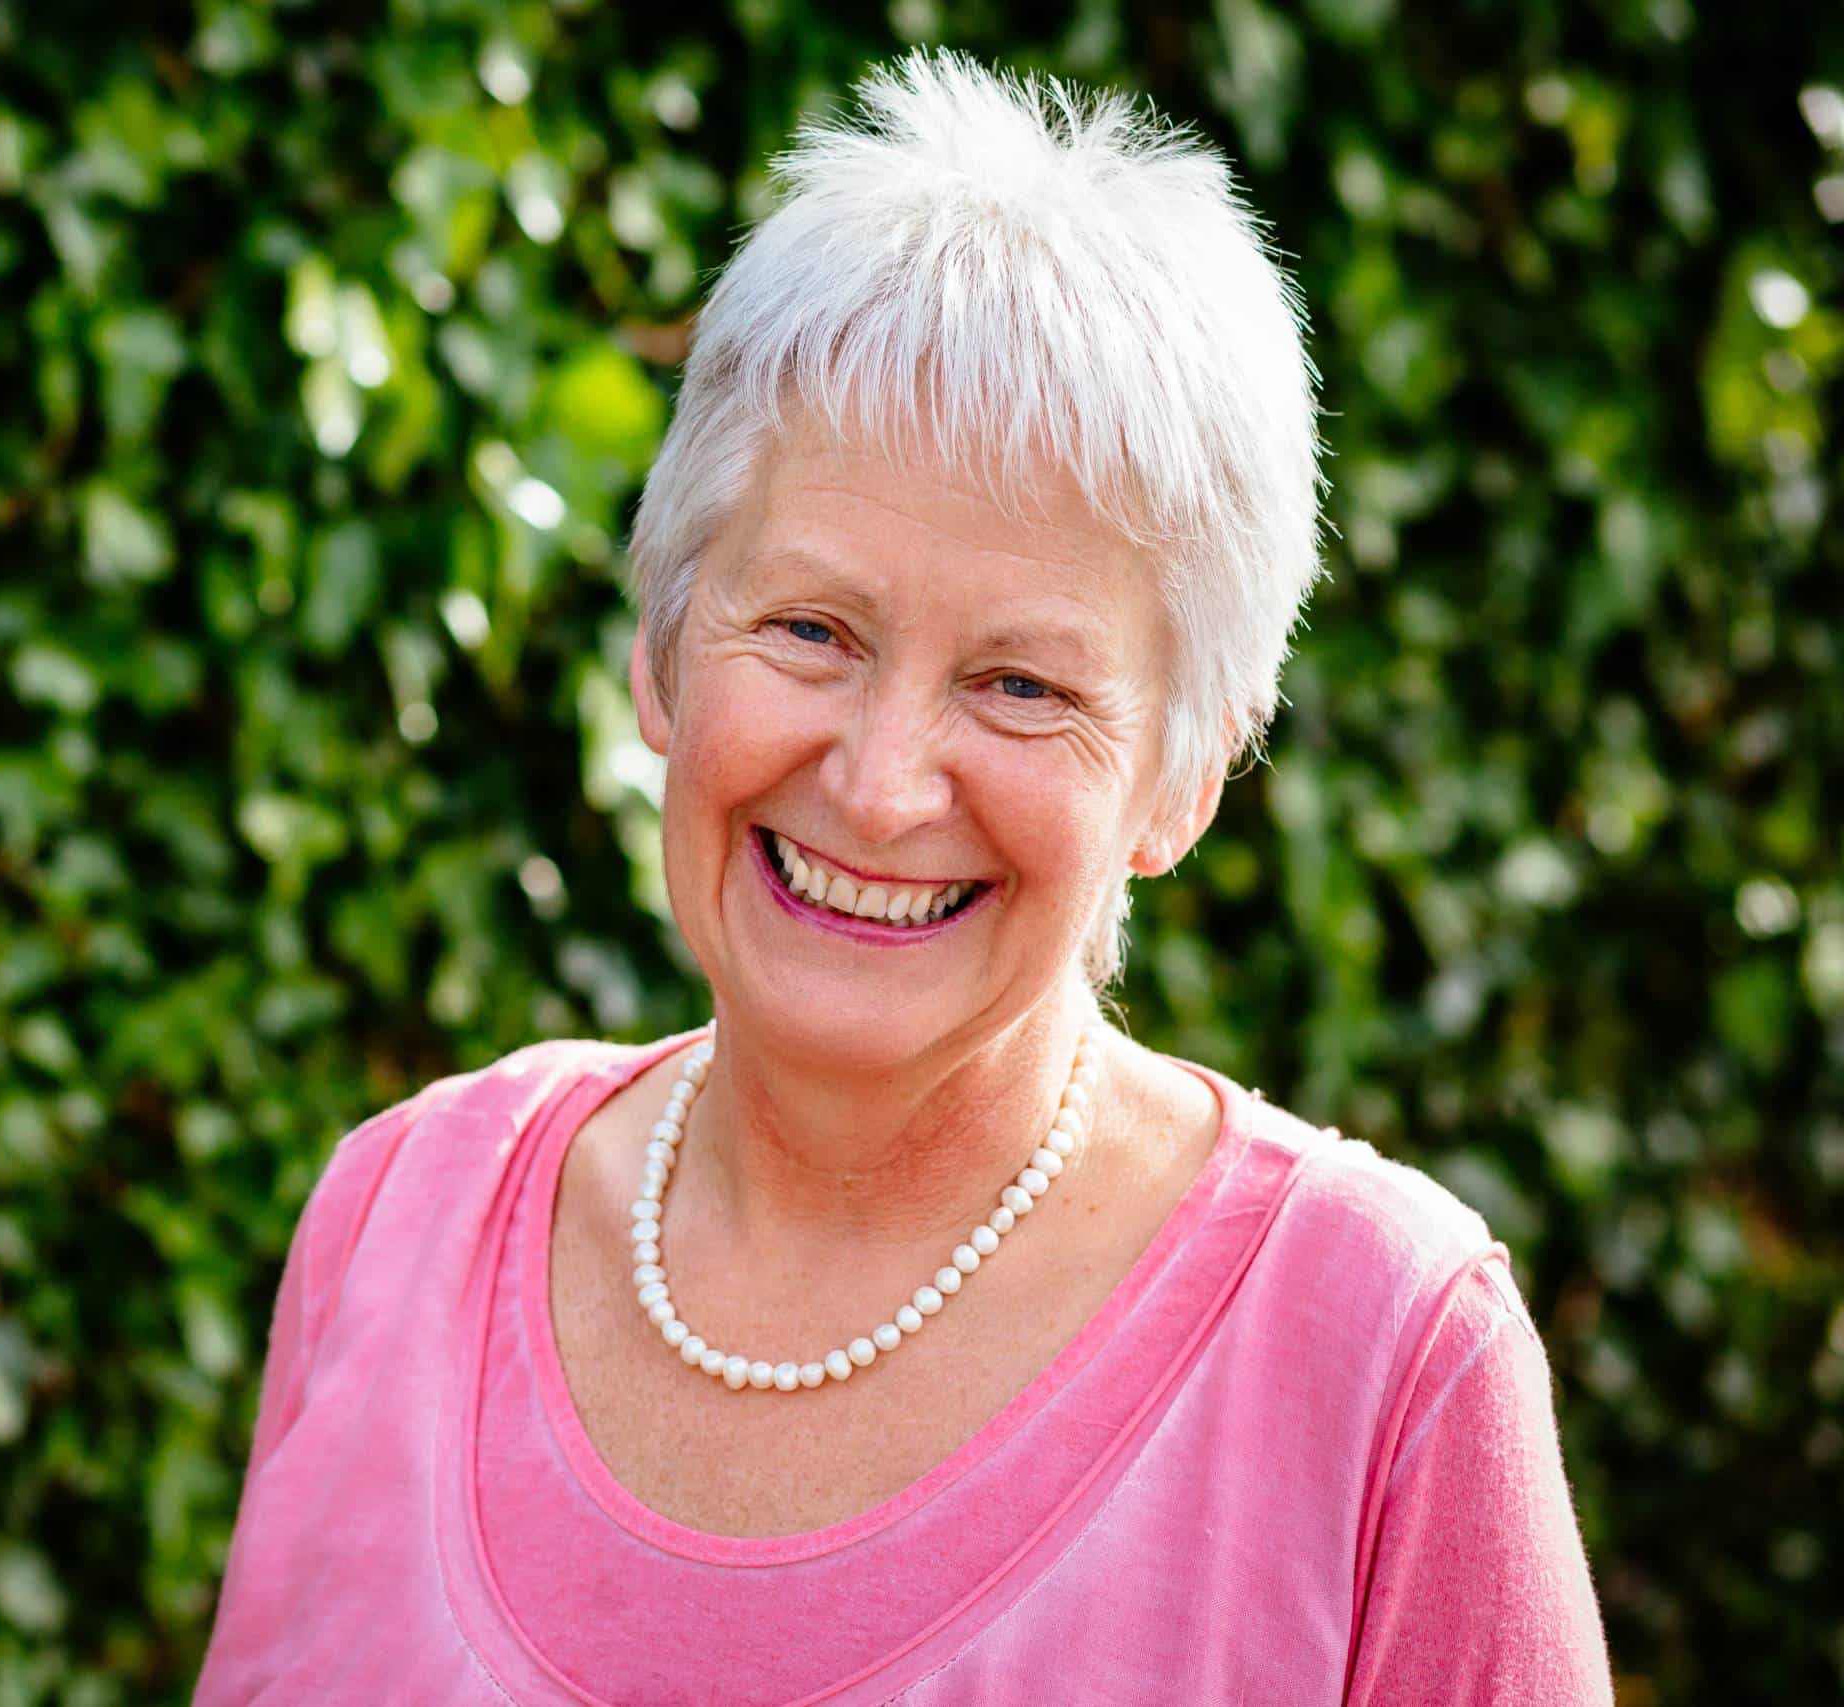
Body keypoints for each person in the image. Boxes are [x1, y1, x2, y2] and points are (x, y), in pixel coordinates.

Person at [195, 47, 1612, 1705]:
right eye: (809, 631)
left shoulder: (1381, 1361)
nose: (879, 784)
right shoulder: (394, 1226)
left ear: (1183, 781)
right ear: (663, 650)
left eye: (1023, 685)